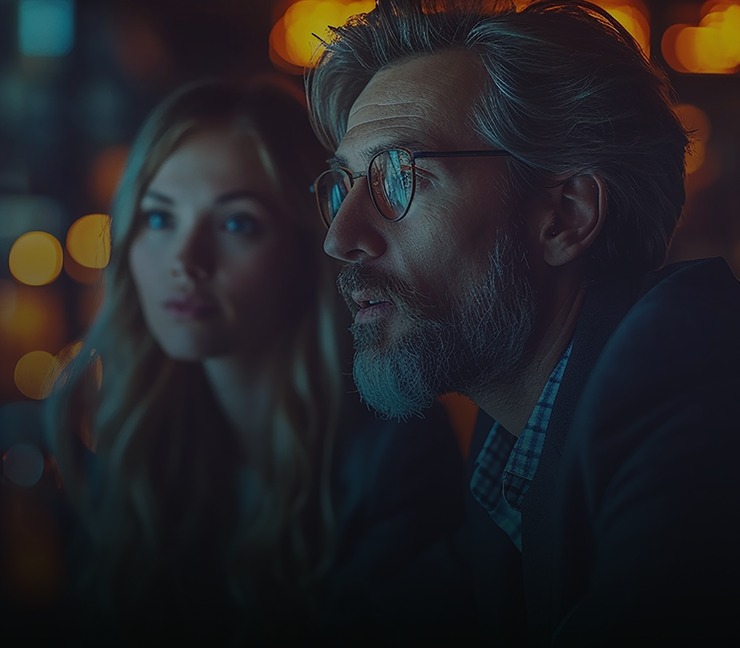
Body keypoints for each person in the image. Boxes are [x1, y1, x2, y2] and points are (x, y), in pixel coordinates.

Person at [306, 0, 740, 644]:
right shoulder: (514, 439)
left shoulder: (708, 387)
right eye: (344, 185)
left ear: (567, 215)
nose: (340, 236)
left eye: (399, 177)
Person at [45, 77, 473, 645]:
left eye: (235, 223)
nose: (185, 261)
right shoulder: (130, 444)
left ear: (308, 252)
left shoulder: (395, 454)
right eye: (159, 218)